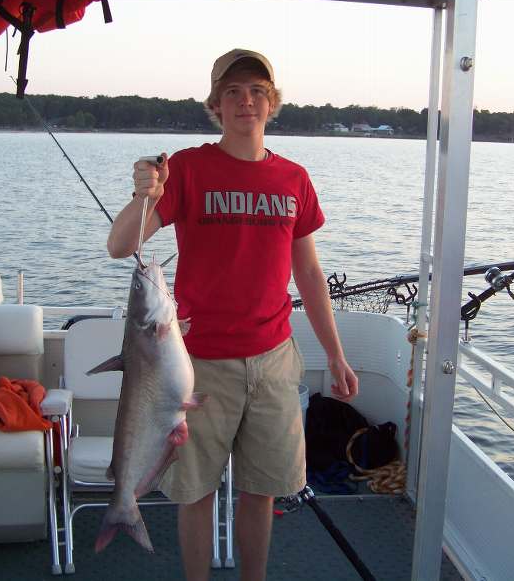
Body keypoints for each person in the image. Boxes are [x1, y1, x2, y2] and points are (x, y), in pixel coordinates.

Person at [107, 48, 359, 581]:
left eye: (257, 92)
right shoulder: (189, 168)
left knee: (260, 493)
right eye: (233, 92)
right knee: (194, 493)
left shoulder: (294, 178)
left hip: (274, 361)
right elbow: (120, 245)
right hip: (197, 366)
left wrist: (335, 355)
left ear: (272, 103)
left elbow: (309, 275)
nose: (246, 101)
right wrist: (142, 194)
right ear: (216, 105)